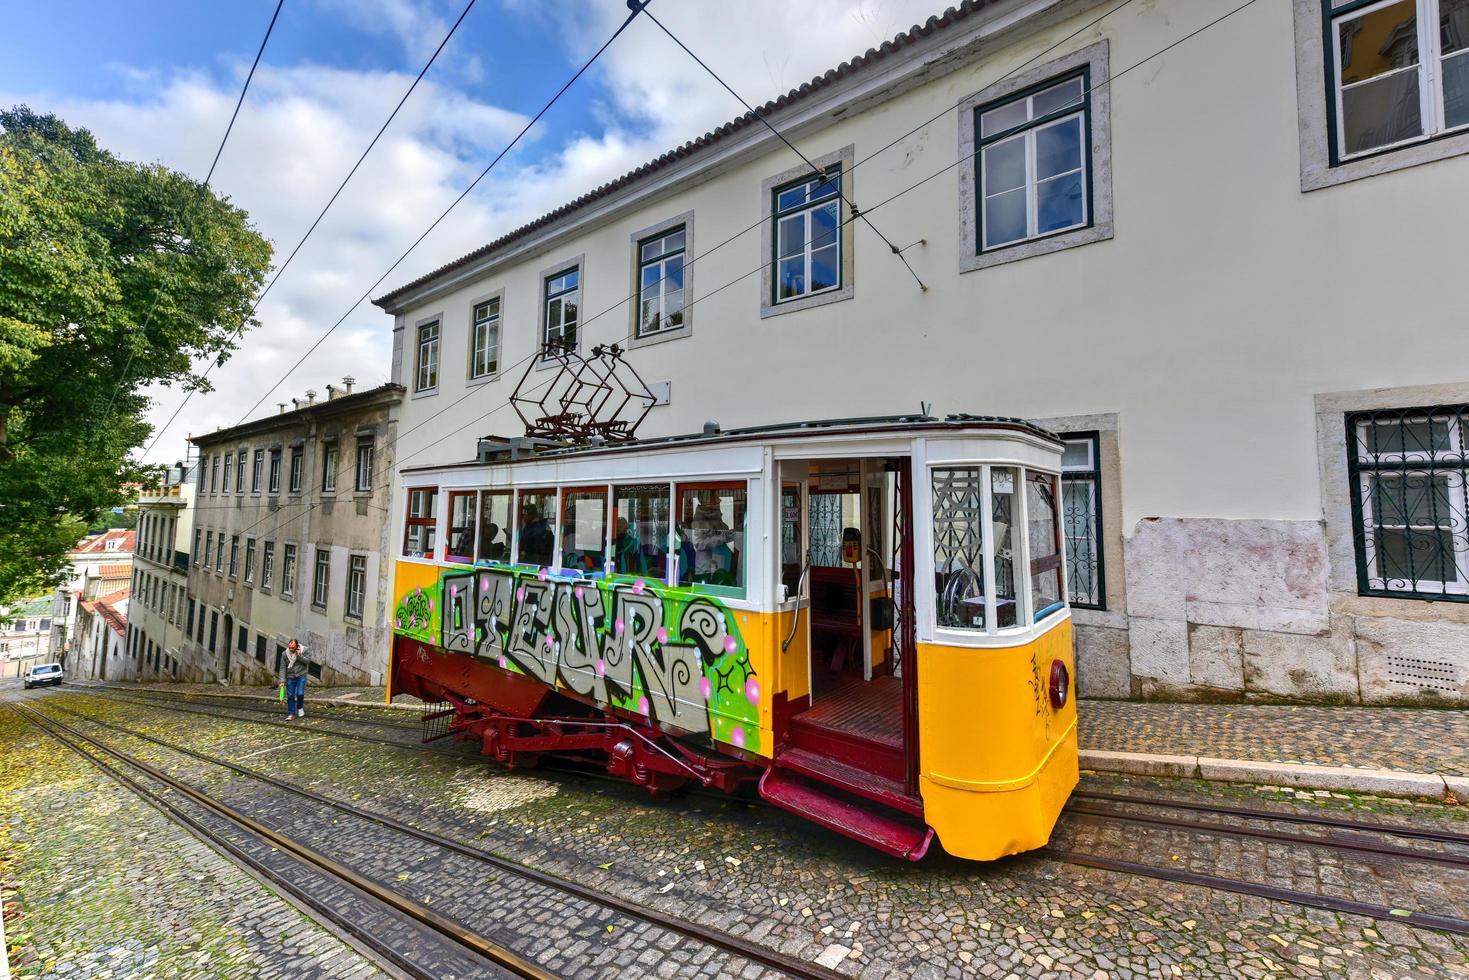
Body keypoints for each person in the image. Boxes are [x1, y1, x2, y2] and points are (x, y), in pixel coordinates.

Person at [279, 639, 311, 720]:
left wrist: (299, 655)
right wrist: (282, 680)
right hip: (290, 676)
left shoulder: (305, 650)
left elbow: (307, 661)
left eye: (293, 647)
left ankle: (300, 707)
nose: (291, 649)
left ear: (297, 646)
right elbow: (282, 668)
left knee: (300, 694)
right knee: (290, 696)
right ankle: (291, 714)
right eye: (290, 647)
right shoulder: (284, 654)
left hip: (301, 675)